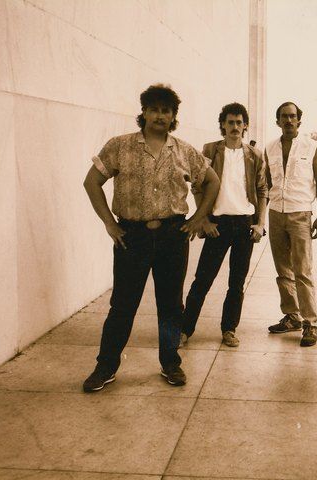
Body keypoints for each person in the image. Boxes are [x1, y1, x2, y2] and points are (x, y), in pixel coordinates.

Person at [82, 84, 219, 392]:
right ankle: (105, 366)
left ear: (173, 116)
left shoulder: (184, 150)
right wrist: (109, 224)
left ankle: (171, 363)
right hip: (132, 237)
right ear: (143, 112)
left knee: (171, 305)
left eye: (166, 111)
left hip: (173, 236)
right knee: (122, 305)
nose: (159, 115)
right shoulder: (120, 146)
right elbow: (92, 182)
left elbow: (212, 181)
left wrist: (198, 218)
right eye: (154, 109)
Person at [181, 103, 268, 347]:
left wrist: (260, 224)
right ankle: (184, 329)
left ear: (245, 125)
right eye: (230, 122)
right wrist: (204, 220)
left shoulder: (254, 155)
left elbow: (262, 190)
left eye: (239, 122)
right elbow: (197, 186)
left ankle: (229, 329)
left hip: (244, 225)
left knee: (236, 283)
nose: (235, 127)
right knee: (202, 280)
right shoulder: (210, 150)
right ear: (223, 124)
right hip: (217, 225)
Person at [265, 102, 317, 347]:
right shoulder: (269, 148)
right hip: (276, 212)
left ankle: (310, 323)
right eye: (284, 116)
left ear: (299, 120)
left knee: (303, 270)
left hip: (300, 213)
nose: (288, 120)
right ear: (278, 121)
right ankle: (292, 316)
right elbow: (268, 183)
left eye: (292, 116)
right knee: (283, 270)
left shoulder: (312, 147)